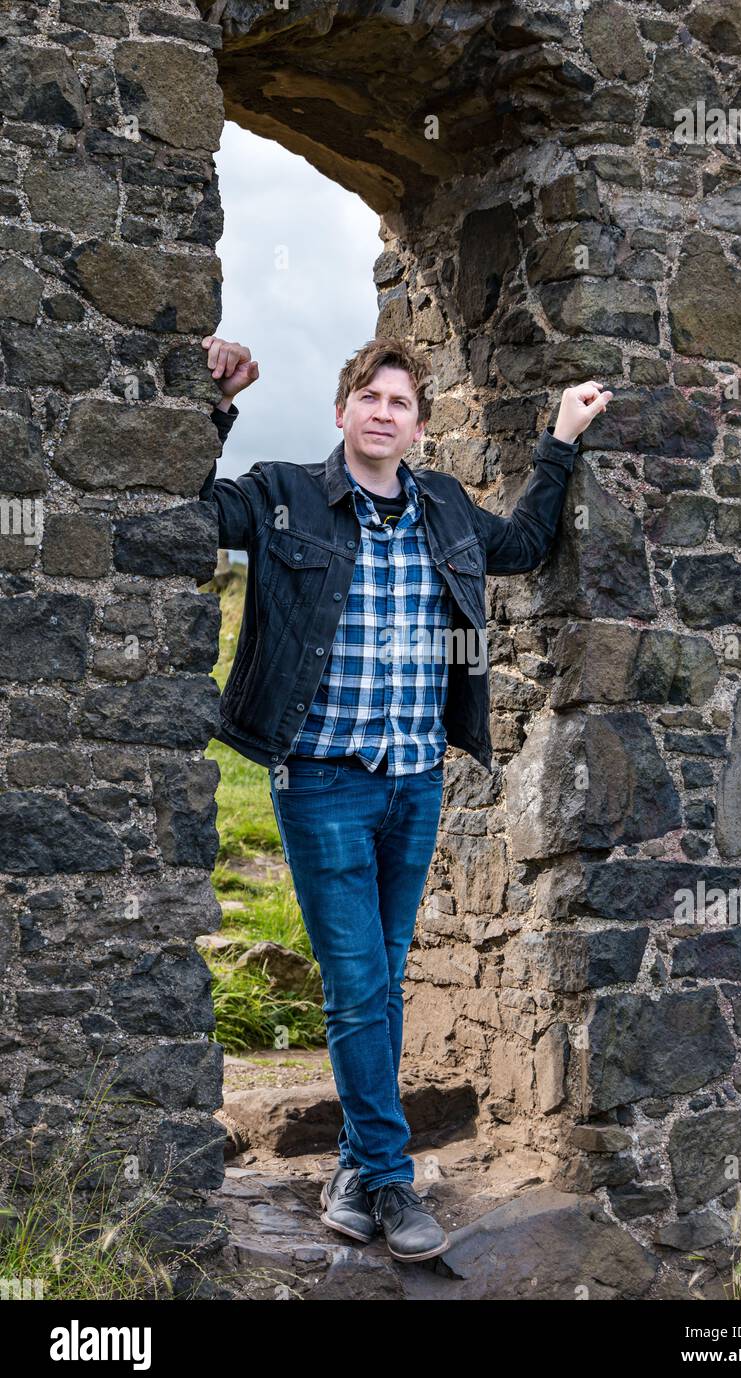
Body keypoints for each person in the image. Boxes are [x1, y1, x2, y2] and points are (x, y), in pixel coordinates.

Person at [198, 332, 611, 1262]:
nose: (384, 414)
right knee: (356, 989)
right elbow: (190, 513)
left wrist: (561, 438)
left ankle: (352, 1165)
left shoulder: (447, 510)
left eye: (402, 404)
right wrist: (211, 405)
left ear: (421, 428)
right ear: (341, 411)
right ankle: (390, 1180)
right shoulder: (283, 495)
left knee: (379, 980)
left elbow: (528, 543)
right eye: (369, 398)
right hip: (322, 781)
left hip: (413, 781)